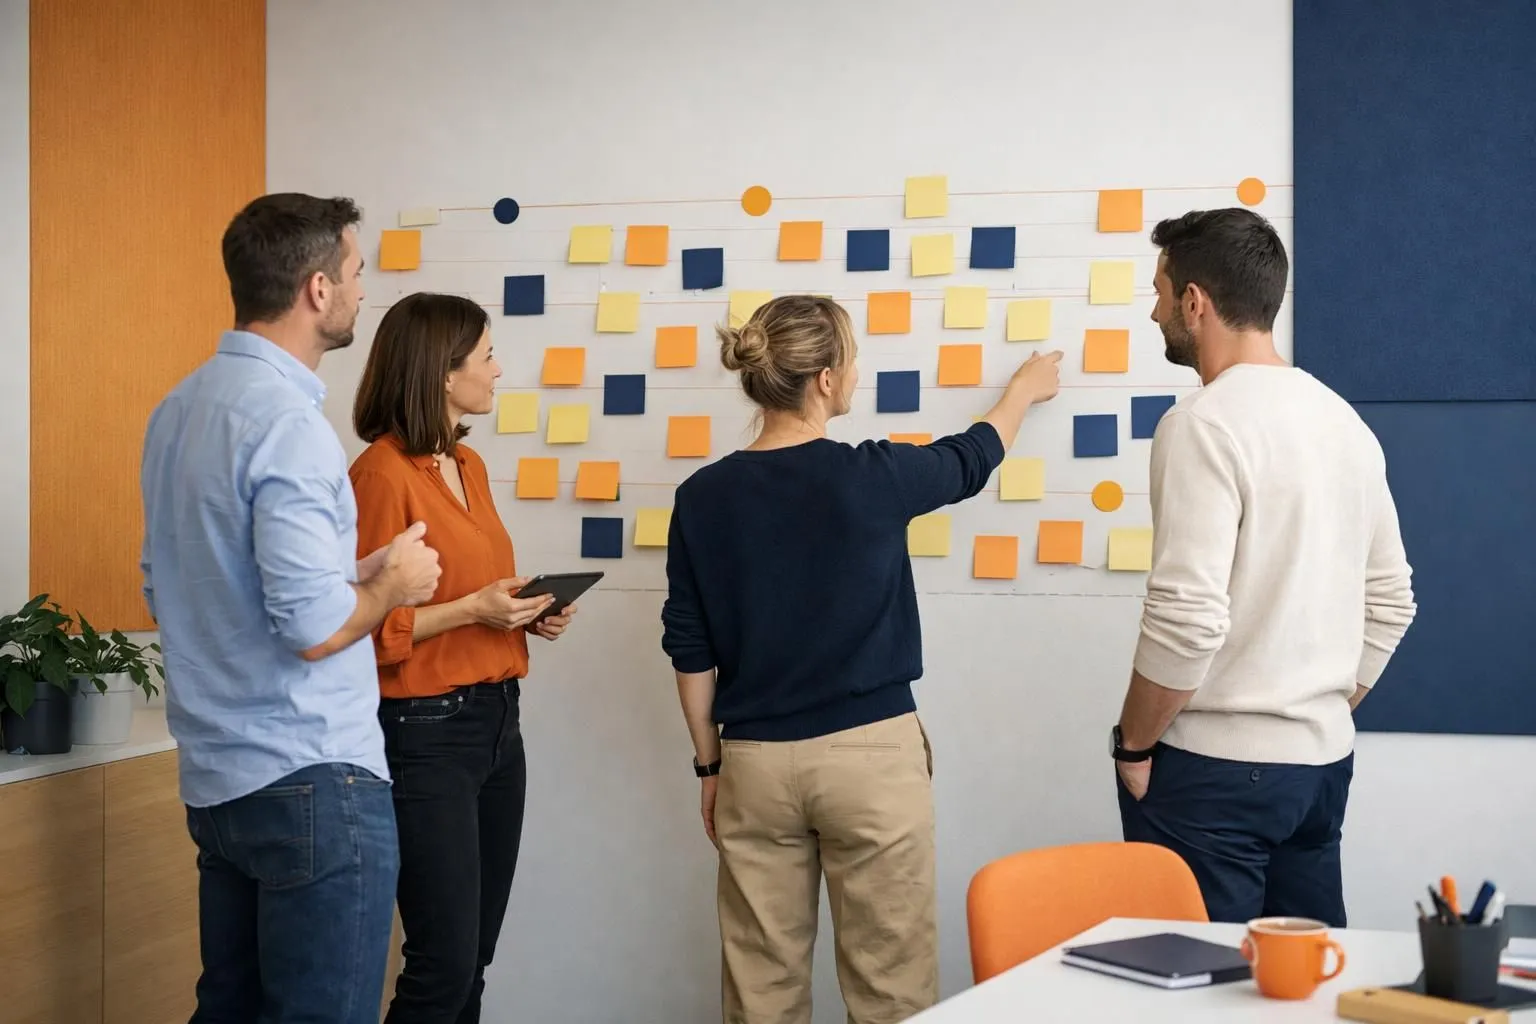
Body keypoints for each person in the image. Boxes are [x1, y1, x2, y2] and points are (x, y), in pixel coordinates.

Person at [661, 294, 1062, 1023]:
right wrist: (1022, 393)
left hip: (752, 760)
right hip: (871, 760)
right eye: (849, 360)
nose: (854, 374)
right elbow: (970, 460)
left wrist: (710, 765)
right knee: (891, 991)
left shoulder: (700, 497)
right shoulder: (870, 475)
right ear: (823, 379)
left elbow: (689, 650)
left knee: (761, 993)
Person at [139, 193, 443, 1022]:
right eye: (355, 273)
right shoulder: (289, 424)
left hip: (219, 781)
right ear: (316, 289)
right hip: (313, 778)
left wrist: (355, 570)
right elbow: (312, 629)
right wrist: (393, 587)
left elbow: (171, 584)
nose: (359, 291)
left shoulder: (177, 412)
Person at [1112, 209, 1417, 927]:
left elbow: (1187, 618)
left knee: (1200, 991)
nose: (1155, 310)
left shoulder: (1203, 424)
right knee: (1303, 990)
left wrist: (1133, 742)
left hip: (1214, 777)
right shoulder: (1345, 422)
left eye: (1160, 292)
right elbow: (1392, 600)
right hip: (1319, 771)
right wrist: (1313, 712)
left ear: (1195, 301)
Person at [349, 291, 578, 1022]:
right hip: (424, 736)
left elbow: (466, 594)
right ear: (443, 373)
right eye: (486, 355)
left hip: (496, 728)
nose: (498, 370)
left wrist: (520, 614)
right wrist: (476, 611)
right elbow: (362, 629)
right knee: (441, 967)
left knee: (472, 960)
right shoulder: (380, 476)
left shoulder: (468, 463)